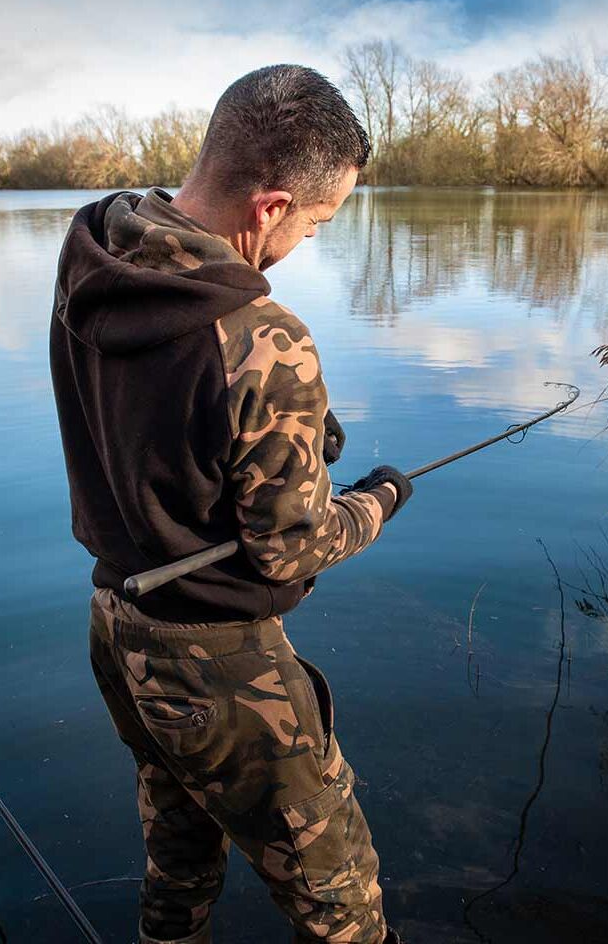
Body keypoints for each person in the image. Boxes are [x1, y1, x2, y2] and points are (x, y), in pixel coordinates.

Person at [50, 64, 412, 944]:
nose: (306, 241)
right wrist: (378, 500)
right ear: (270, 205)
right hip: (217, 661)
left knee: (179, 853)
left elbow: (157, 421)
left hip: (115, 623)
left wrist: (283, 431)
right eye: (315, 223)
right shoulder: (264, 338)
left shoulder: (94, 251)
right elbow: (291, 547)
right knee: (339, 897)